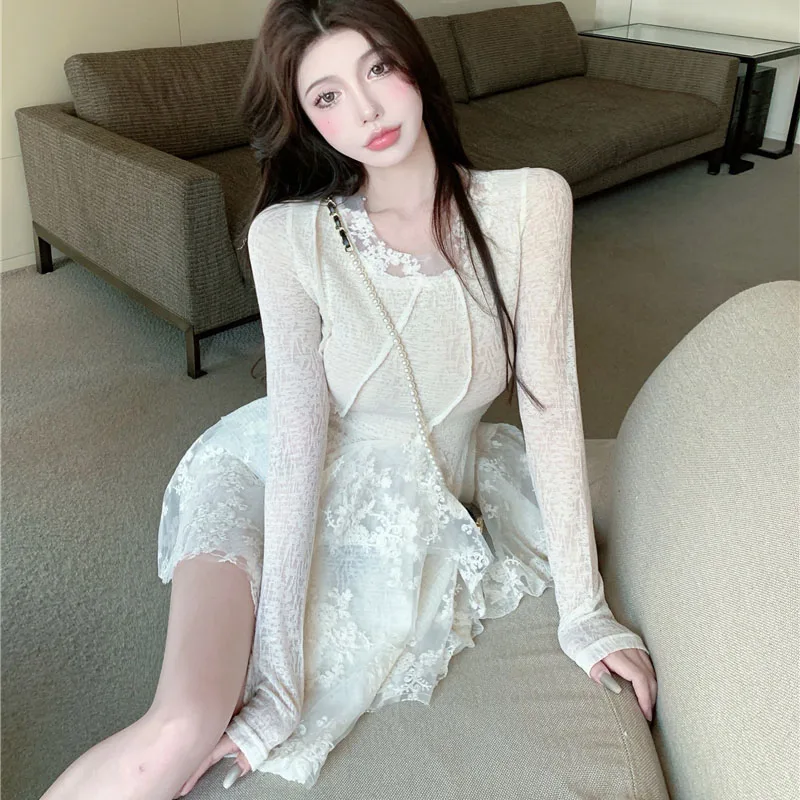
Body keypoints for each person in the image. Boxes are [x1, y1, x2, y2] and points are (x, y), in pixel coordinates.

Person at [40, 1, 658, 797]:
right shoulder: (289, 237)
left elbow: (551, 404)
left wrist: (585, 611)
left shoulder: (531, 204)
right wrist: (279, 681)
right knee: (185, 722)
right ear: (307, 120)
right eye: (327, 95)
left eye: (378, 68)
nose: (364, 110)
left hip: (421, 496)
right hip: (259, 477)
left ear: (416, 66)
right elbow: (296, 441)